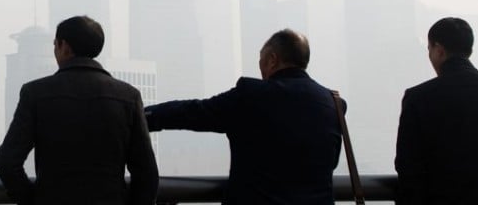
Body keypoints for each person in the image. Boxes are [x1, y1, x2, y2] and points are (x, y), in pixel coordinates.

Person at [144, 29, 344, 204]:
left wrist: (137, 116)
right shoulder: (334, 103)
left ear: (272, 60)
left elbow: (192, 112)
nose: (261, 71)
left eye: (261, 62)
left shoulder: (252, 95)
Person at [0, 15, 159, 205]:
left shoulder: (35, 93)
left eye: (55, 44)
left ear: (63, 46)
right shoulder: (128, 96)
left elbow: (7, 161)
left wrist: (33, 200)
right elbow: (146, 173)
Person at [395, 16, 478, 204]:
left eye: (429, 49)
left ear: (439, 50)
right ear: (469, 50)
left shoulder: (418, 97)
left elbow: (407, 166)